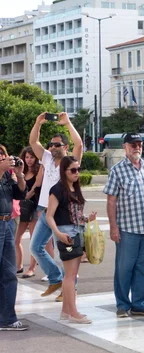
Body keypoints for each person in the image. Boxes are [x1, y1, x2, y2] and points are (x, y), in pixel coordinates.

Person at [104, 133, 144, 318]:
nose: (137, 147)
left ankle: (140, 305)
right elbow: (111, 201)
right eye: (133, 144)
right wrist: (113, 228)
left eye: (139, 144)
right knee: (124, 269)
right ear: (125, 147)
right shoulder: (117, 170)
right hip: (127, 229)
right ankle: (122, 305)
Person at [29, 112, 83, 300]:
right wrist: (38, 122)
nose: (52, 147)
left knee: (64, 255)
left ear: (65, 147)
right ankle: (55, 279)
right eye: (51, 144)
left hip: (61, 214)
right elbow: (34, 142)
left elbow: (79, 145)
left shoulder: (70, 164)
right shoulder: (47, 159)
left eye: (57, 145)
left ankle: (70, 289)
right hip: (44, 211)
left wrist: (67, 123)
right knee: (35, 248)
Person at [46, 156, 96, 324]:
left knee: (72, 274)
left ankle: (66, 311)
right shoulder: (57, 189)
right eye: (73, 170)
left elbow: (76, 215)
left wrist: (87, 218)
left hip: (77, 232)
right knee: (70, 275)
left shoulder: (75, 188)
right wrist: (58, 234)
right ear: (64, 171)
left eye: (78, 169)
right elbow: (49, 216)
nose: (77, 173)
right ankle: (73, 312)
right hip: (67, 234)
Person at [0, 145, 27, 331]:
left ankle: (8, 318)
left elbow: (20, 193)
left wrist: (20, 173)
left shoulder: (8, 175)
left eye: (4, 155)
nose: (3, 158)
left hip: (8, 223)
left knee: (9, 273)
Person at [15, 147, 43, 278]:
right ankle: (19, 265)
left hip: (34, 206)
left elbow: (34, 187)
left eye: (32, 157)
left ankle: (31, 268)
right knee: (16, 239)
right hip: (22, 207)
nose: (29, 160)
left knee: (33, 240)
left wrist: (25, 196)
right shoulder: (21, 171)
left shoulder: (39, 171)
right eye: (27, 157)